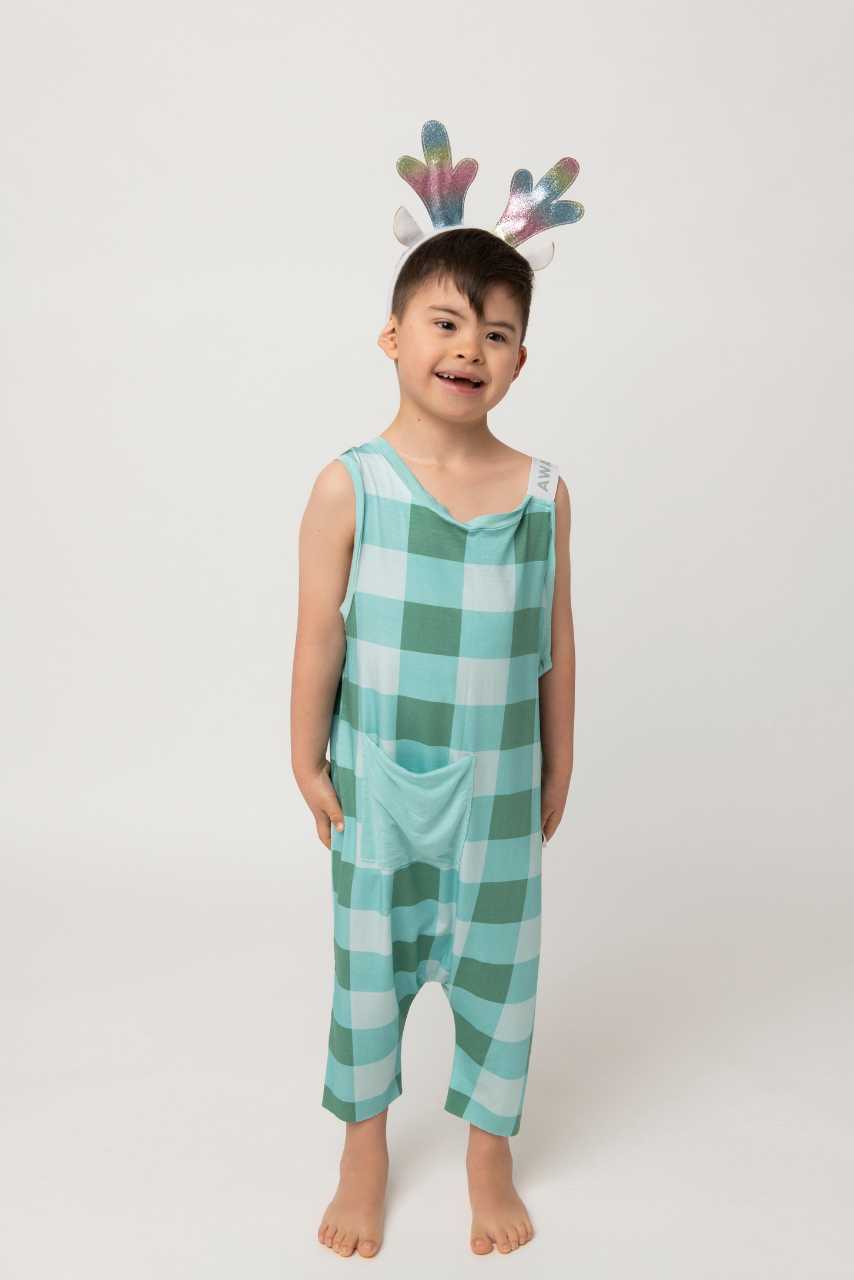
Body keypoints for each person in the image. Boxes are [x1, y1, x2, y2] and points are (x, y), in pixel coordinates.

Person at [290, 123, 579, 1259]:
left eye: (497, 332)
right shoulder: (350, 484)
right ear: (394, 336)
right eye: (447, 322)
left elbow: (555, 642)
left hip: (499, 792)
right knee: (368, 968)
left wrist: (559, 763)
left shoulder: (542, 492)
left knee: (501, 973)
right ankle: (362, 1148)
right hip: (380, 779)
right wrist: (304, 756)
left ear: (520, 360)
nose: (470, 348)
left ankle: (487, 1150)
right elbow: (319, 633)